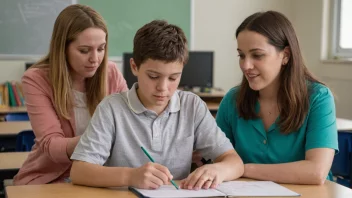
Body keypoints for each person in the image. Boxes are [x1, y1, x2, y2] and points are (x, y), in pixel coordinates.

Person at [70, 20, 244, 190]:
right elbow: (79, 171)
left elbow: (234, 162)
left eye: (173, 78)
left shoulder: (192, 106)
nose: (163, 88)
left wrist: (217, 169)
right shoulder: (111, 108)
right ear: (134, 67)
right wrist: (130, 176)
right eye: (153, 76)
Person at [215, 11, 338, 185]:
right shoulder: (232, 100)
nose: (246, 66)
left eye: (257, 55)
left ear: (285, 55)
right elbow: (218, 160)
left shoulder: (318, 98)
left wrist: (242, 168)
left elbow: (316, 172)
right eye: (241, 55)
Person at [13, 4, 128, 185]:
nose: (95, 59)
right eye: (84, 50)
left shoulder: (111, 73)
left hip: (100, 178)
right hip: (51, 179)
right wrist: (100, 138)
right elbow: (52, 145)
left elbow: (128, 126)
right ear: (63, 48)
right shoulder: (36, 79)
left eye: (101, 48)